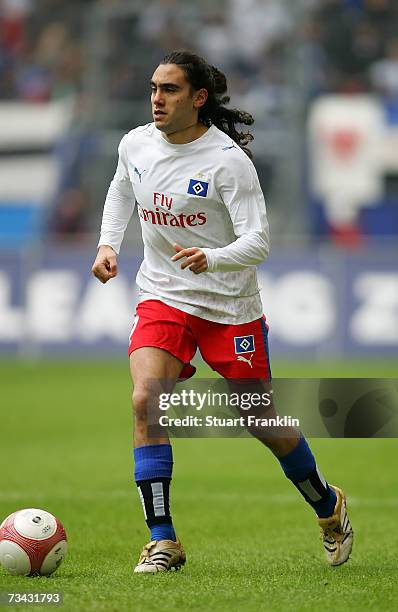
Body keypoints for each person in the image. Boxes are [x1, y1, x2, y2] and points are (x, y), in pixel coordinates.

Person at [92, 50, 353, 573]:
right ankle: (162, 539)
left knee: (260, 419)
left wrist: (212, 258)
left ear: (198, 98)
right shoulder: (136, 143)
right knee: (146, 399)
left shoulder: (228, 161)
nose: (157, 100)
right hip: (163, 295)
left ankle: (327, 505)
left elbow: (258, 241)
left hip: (230, 307)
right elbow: (122, 189)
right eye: (153, 88)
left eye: (169, 90)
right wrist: (108, 245)